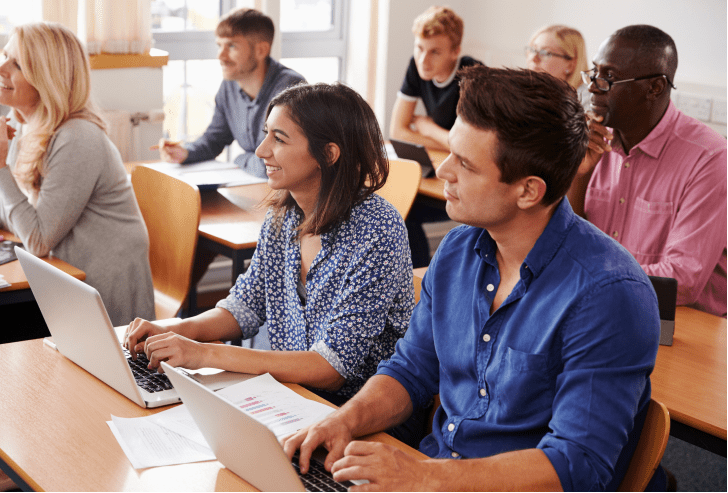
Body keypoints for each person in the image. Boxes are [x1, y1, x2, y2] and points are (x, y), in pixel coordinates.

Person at [284, 67, 662, 492]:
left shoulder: (610, 295)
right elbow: (411, 370)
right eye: (450, 152)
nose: (443, 171)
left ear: (528, 191)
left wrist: (424, 476)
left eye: (464, 163)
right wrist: (343, 421)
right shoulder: (458, 251)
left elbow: (576, 466)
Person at [0, 22, 155, 492]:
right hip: (60, 282)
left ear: (46, 75)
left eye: (17, 62)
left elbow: (39, 234)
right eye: (6, 56)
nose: (0, 67)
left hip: (99, 296)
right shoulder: (36, 125)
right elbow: (15, 202)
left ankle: (4, 466)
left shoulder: (77, 137)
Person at [126, 82, 417, 419]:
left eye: (279, 139)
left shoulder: (378, 230)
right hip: (290, 399)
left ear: (329, 154)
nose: (261, 150)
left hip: (356, 418)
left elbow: (330, 368)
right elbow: (244, 307)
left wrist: (203, 354)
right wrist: (174, 330)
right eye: (266, 135)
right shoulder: (282, 218)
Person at [568, 25, 727, 317]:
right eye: (594, 72)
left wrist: (583, 279)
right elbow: (564, 241)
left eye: (609, 77)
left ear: (654, 87)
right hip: (600, 306)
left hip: (677, 322)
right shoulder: (595, 139)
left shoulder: (709, 157)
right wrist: (577, 171)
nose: (592, 86)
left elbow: (680, 280)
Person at [156, 7, 305, 179]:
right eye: (219, 45)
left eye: (231, 46)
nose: (221, 56)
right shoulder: (228, 87)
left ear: (261, 50)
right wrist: (185, 153)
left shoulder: (290, 89)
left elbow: (279, 164)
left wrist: (240, 159)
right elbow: (214, 140)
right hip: (257, 187)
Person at [389, 5, 482, 151]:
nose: (423, 61)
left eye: (435, 52)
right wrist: (448, 142)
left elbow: (470, 147)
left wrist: (428, 129)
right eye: (419, 48)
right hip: (446, 155)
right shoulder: (415, 65)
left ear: (455, 52)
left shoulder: (473, 73)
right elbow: (397, 132)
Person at [525, 24, 590, 107]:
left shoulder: (586, 102)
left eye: (545, 53)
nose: (534, 58)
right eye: (532, 50)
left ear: (570, 65)